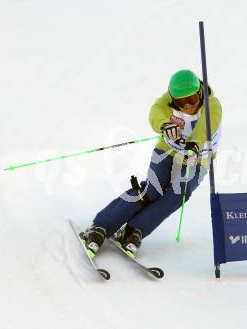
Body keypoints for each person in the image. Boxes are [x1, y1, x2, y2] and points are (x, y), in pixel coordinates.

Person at [81, 69, 222, 257]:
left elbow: (205, 126)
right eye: (181, 103)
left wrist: (194, 145)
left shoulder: (212, 104)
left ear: (199, 94)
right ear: (173, 99)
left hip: (198, 158)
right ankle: (101, 226)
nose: (187, 106)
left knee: (179, 192)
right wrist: (164, 125)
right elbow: (156, 111)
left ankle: (134, 230)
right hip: (168, 151)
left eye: (191, 100)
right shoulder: (167, 100)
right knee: (152, 191)